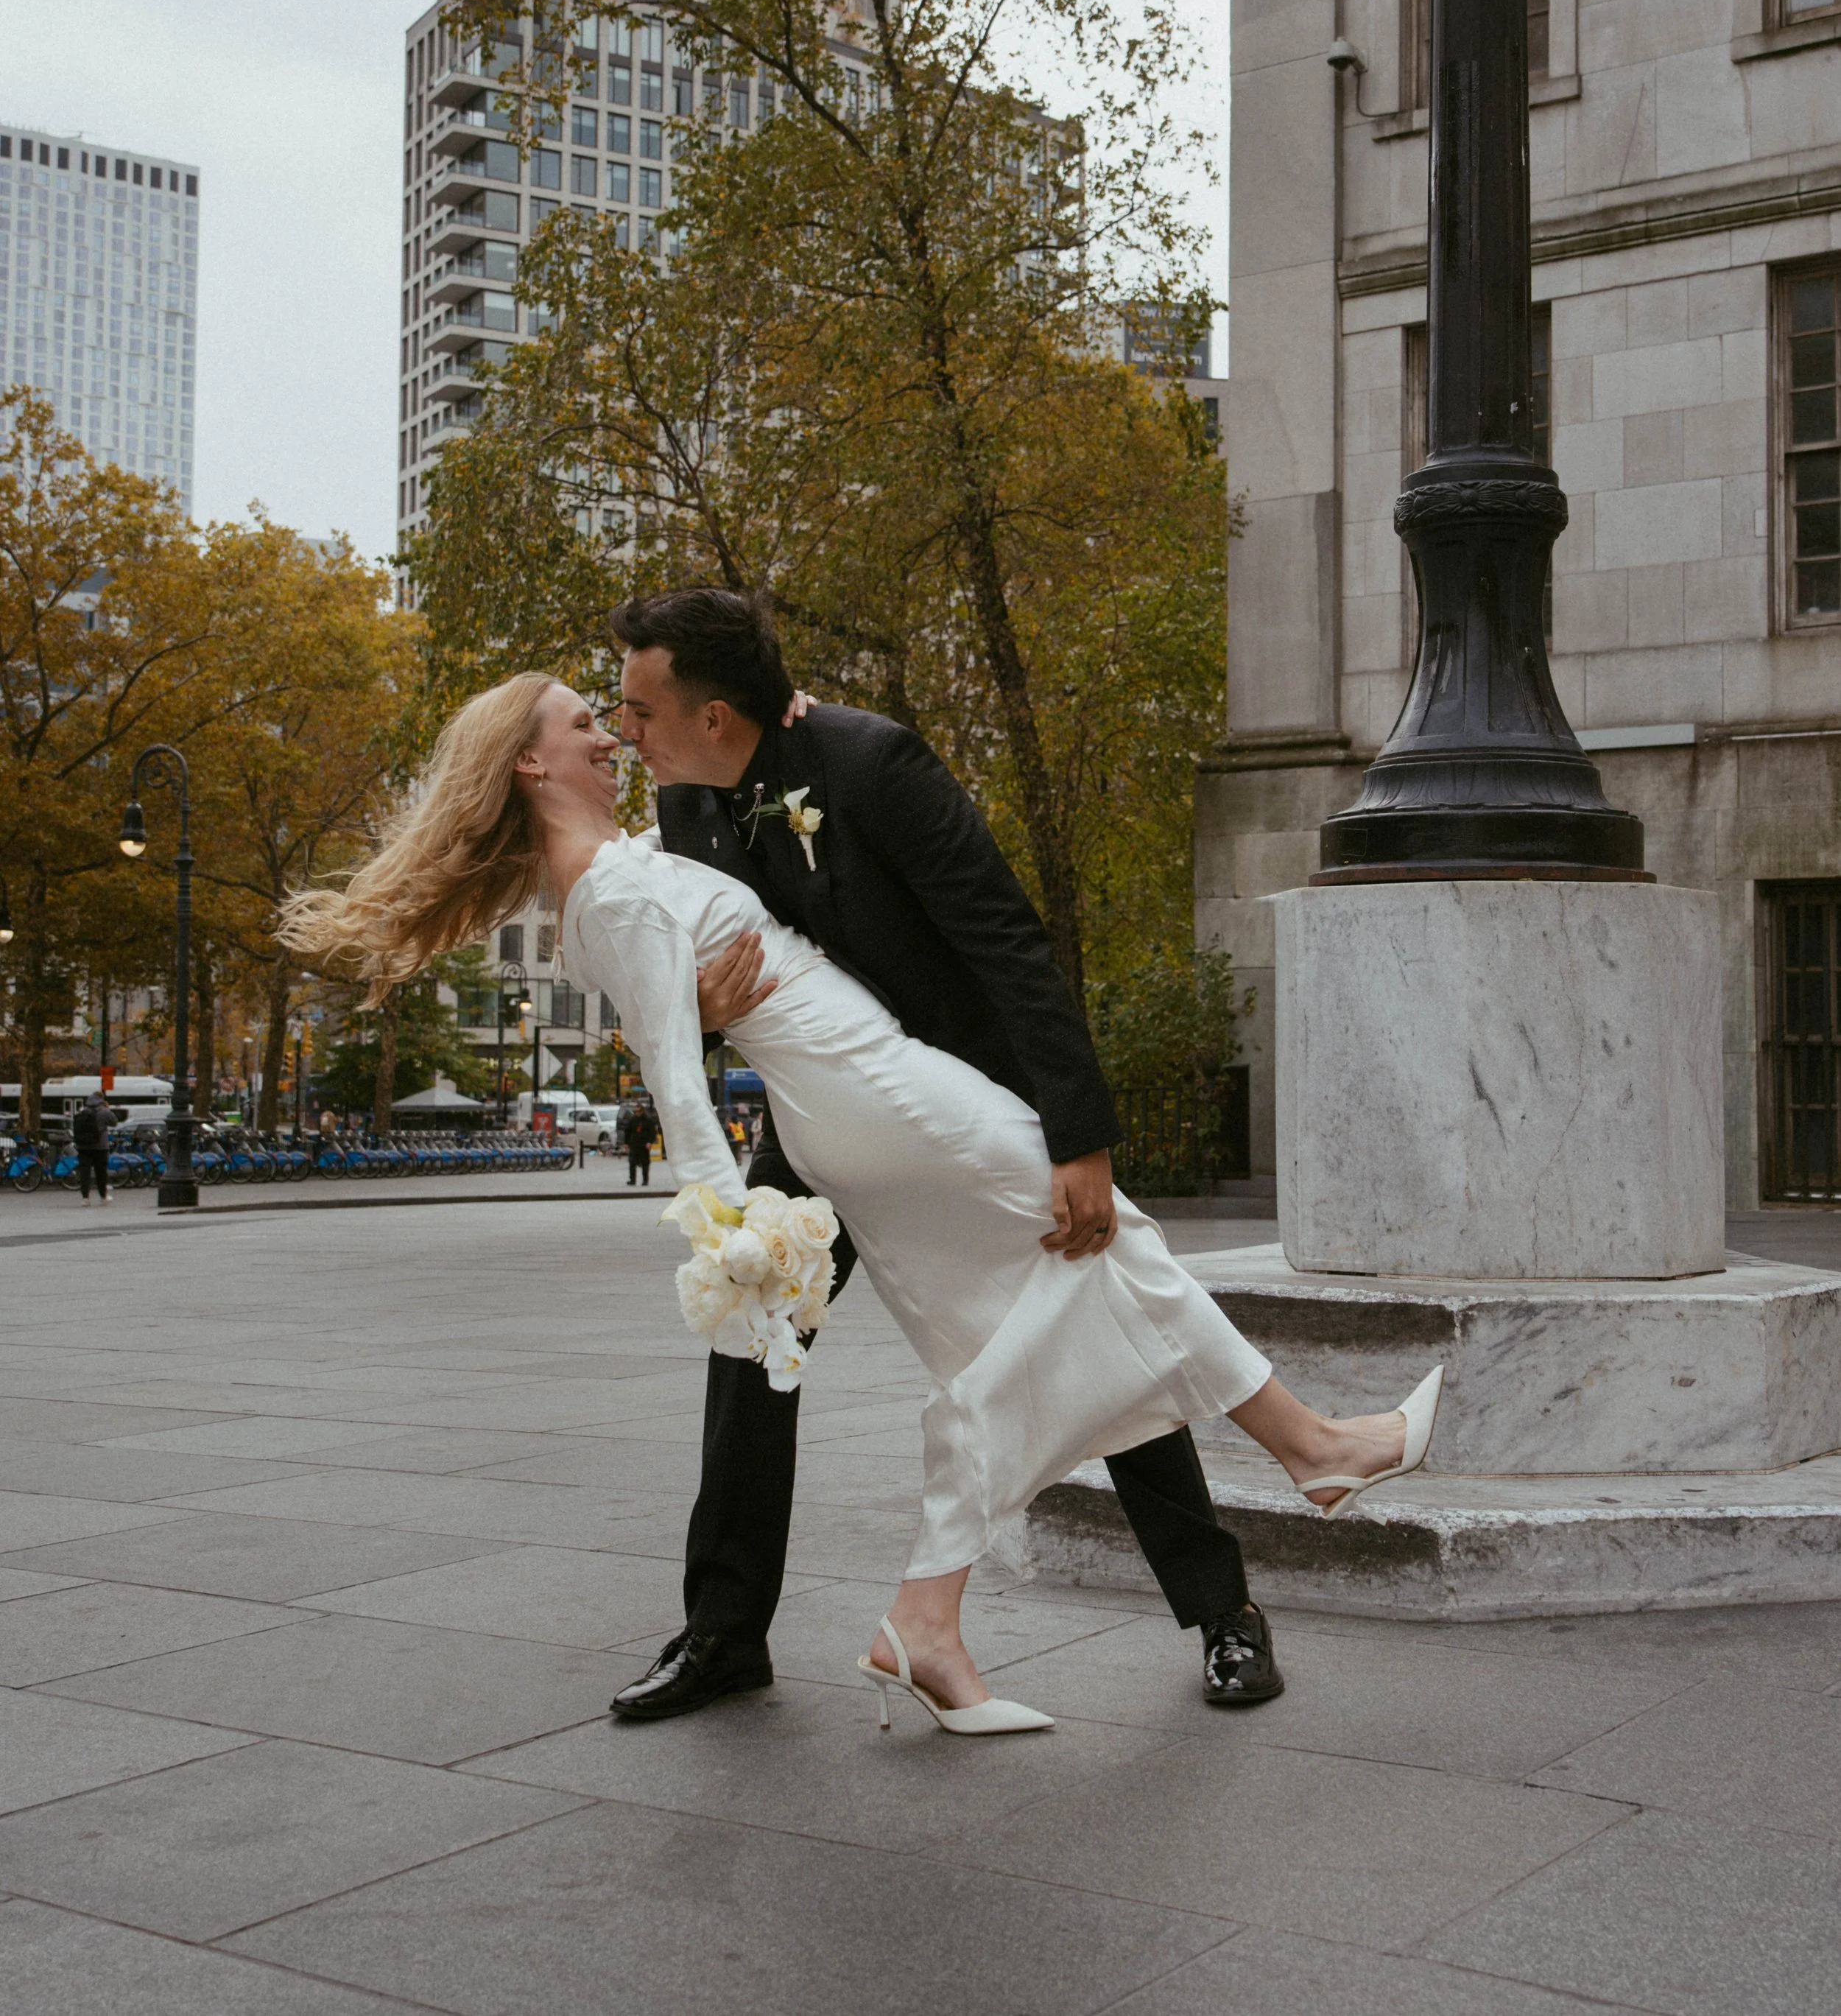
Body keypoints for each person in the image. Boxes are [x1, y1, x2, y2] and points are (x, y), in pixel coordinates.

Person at [280, 664, 1439, 1738]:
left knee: (1067, 1282)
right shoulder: (665, 824)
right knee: (776, 1347)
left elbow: (1000, 936)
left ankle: (1196, 1604)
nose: (623, 733)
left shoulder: (846, 763)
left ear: (714, 707)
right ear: (538, 762)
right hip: (835, 1106)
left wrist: (1077, 1130)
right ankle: (736, 1633)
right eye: (600, 718)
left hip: (919, 1070)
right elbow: (658, 993)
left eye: (633, 708)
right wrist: (726, 1204)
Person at [71, 1091, 111, 1204]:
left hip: (83, 1147)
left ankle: (85, 1198)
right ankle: (103, 1196)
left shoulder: (82, 1112)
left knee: (85, 1173)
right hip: (101, 1147)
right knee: (101, 1172)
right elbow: (114, 1121)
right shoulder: (104, 1111)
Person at [624, 1096, 659, 1187]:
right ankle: (632, 1179)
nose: (637, 1113)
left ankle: (645, 1180)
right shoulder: (632, 1120)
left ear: (642, 1111)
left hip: (644, 1145)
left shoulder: (648, 1120)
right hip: (634, 1144)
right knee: (632, 1163)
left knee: (645, 1163)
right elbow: (627, 1131)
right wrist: (626, 1143)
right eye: (636, 1111)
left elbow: (653, 1133)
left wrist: (650, 1142)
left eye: (639, 1111)